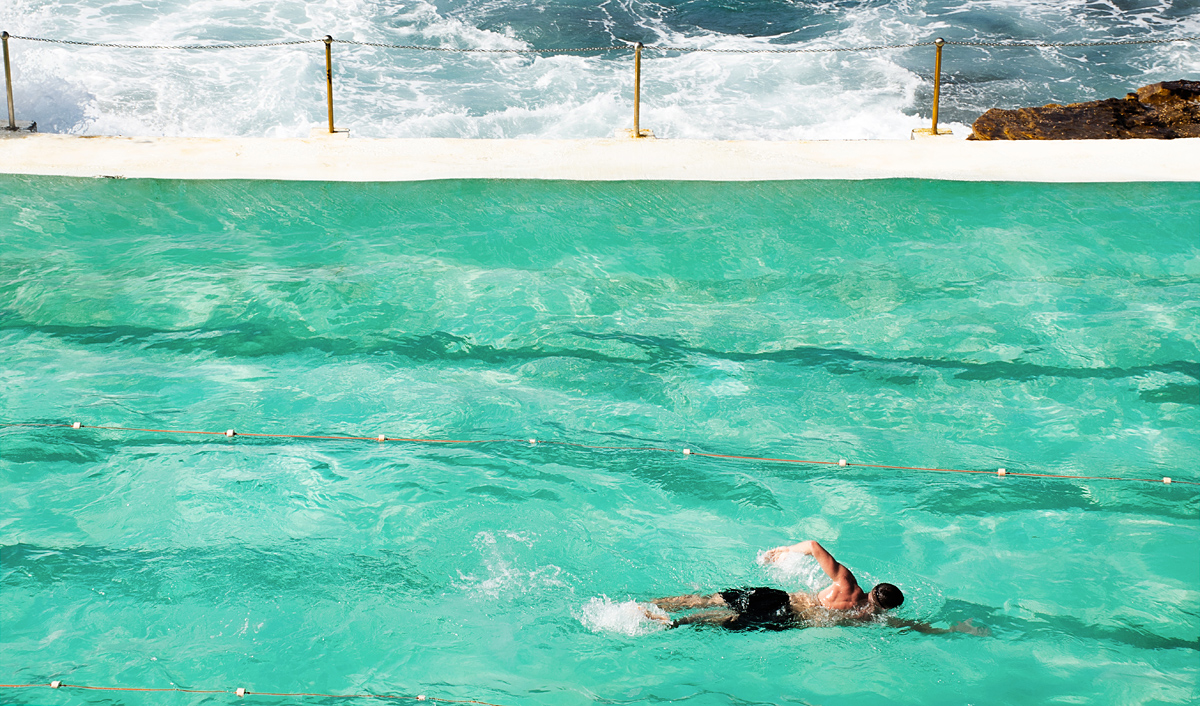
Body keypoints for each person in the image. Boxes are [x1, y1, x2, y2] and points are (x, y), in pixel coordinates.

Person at [649, 540, 982, 634]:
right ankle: (671, 624)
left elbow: (813, 545)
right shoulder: (868, 618)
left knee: (711, 598)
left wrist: (782, 552)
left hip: (783, 599)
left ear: (874, 589)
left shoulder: (847, 582)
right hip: (787, 619)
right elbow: (913, 626)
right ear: (885, 605)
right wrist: (954, 629)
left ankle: (657, 605)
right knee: (722, 619)